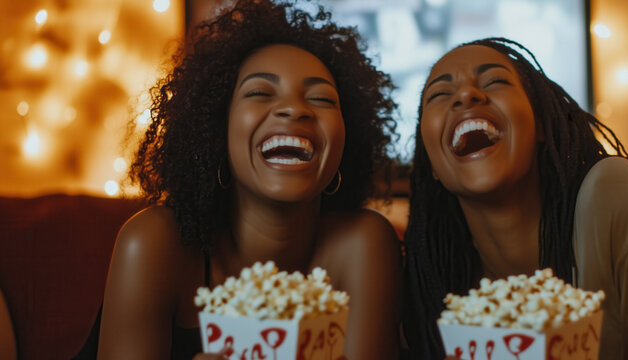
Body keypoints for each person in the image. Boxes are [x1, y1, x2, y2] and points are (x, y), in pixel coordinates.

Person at [94, 1, 402, 359]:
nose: (294, 109)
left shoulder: (365, 242)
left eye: (321, 98)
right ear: (216, 130)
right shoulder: (153, 243)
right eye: (259, 93)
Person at [402, 37, 628, 360]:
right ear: (432, 166)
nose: (467, 94)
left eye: (495, 81)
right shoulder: (439, 282)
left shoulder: (613, 192)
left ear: (541, 125)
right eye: (440, 95)